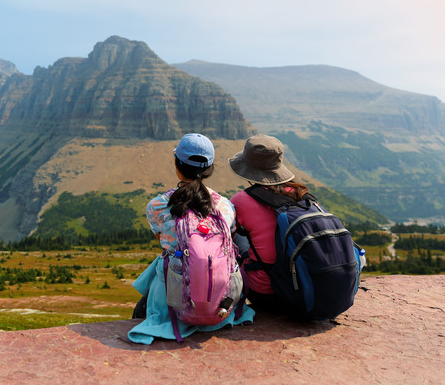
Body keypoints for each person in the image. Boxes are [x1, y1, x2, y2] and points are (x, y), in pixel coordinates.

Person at [127, 133, 254, 344]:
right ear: (209, 169)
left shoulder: (157, 206)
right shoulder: (225, 206)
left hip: (171, 299)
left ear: (177, 164)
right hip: (220, 303)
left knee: (166, 257)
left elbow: (161, 239)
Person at [228, 134, 311, 312]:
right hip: (306, 287)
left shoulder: (241, 200)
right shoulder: (302, 195)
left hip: (265, 293)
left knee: (234, 238)